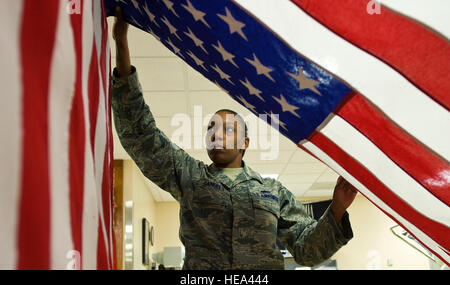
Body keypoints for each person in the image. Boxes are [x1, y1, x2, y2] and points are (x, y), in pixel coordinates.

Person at [111, 7, 357, 270]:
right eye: (211, 129)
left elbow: (306, 251)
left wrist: (336, 209)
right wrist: (122, 47)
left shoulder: (273, 192)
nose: (216, 134)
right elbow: (140, 133)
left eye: (227, 130)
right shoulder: (189, 176)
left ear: (245, 144)